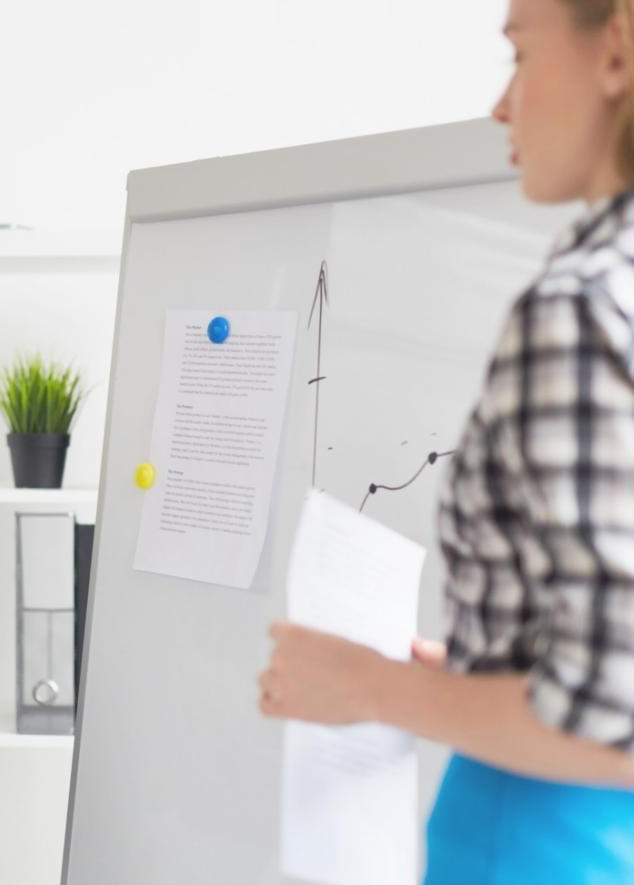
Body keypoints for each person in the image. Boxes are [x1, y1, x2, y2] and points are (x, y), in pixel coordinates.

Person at [259, 0, 634, 881]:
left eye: (520, 53)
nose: (501, 104)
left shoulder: (579, 311)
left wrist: (367, 686)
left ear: (614, 48)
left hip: (542, 846)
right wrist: (475, 668)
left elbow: (613, 714)